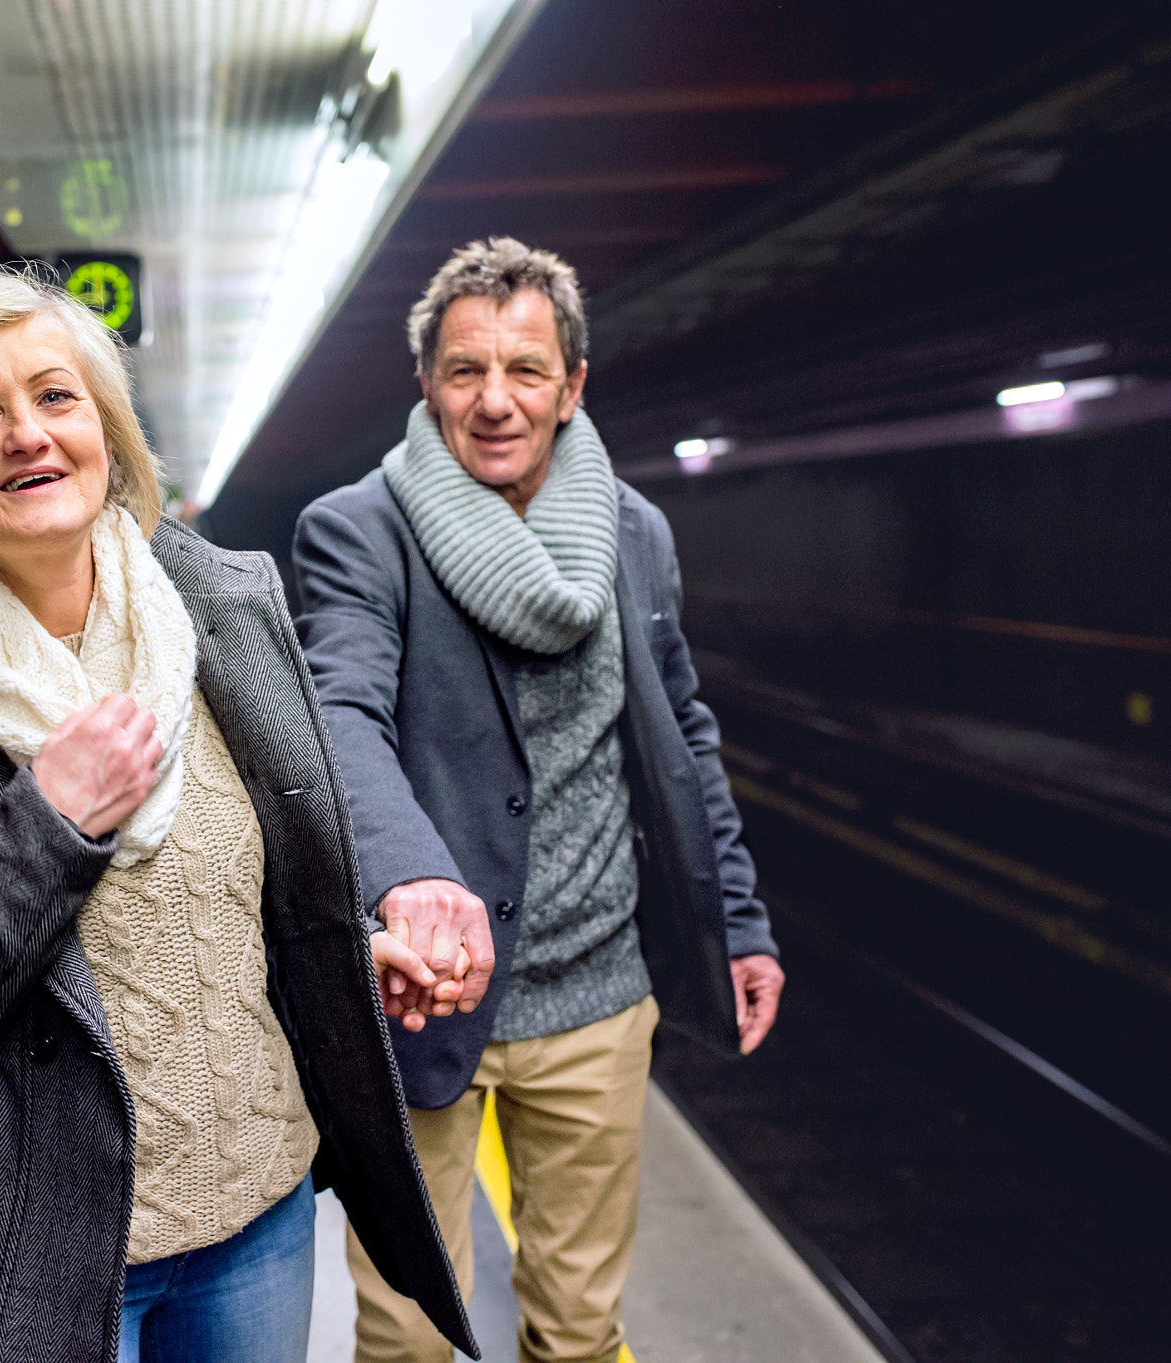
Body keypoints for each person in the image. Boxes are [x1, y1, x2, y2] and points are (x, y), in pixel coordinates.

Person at [0, 267, 473, 1363]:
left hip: (257, 1211)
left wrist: (350, 952)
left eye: (55, 396)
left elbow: (238, 888)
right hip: (37, 1251)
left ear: (105, 432)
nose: (25, 434)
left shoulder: (225, 623)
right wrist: (48, 824)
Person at [292, 237, 785, 1363]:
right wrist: (408, 874)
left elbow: (680, 734)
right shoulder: (359, 529)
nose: (495, 400)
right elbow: (341, 716)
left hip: (598, 994)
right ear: (425, 384)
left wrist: (741, 923)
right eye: (464, 370)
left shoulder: (632, 532)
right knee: (410, 1336)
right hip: (423, 992)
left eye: (525, 370)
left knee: (576, 1329)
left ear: (571, 386)